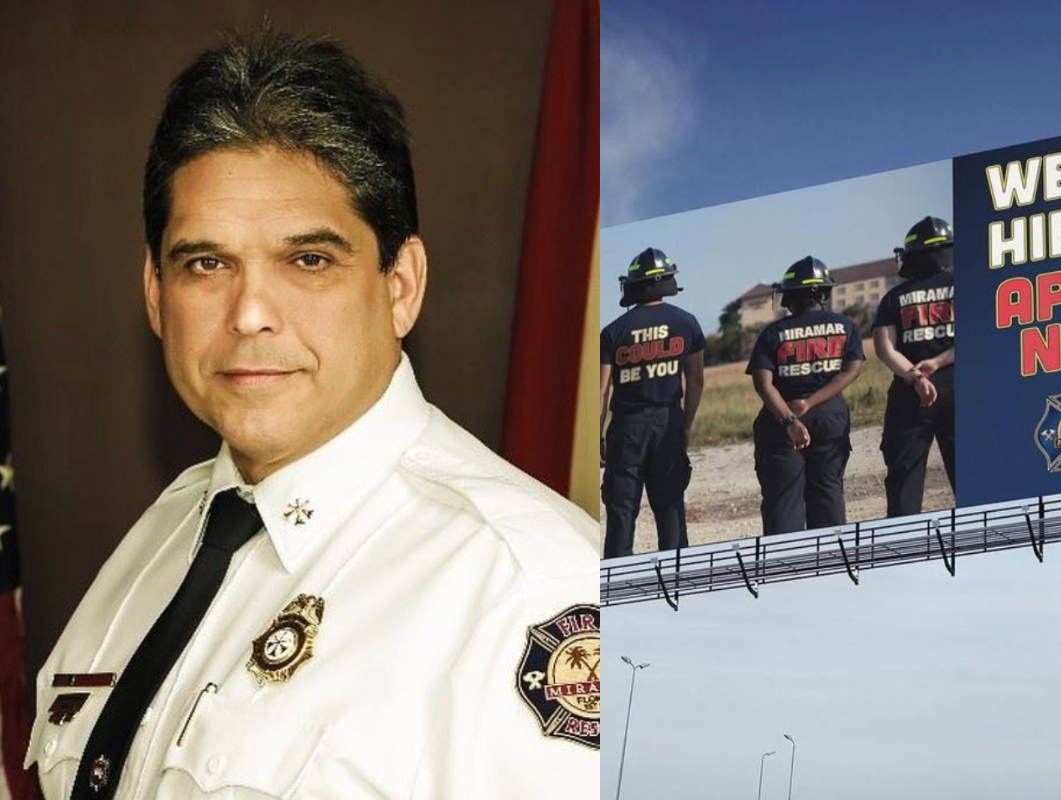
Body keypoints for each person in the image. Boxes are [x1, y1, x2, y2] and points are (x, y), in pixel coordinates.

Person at [24, 31, 600, 800]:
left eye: (308, 260)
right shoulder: (159, 541)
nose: (250, 313)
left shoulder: (529, 587)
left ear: (401, 287)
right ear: (156, 297)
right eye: (206, 263)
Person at [599, 247, 705, 558]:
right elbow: (696, 380)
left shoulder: (613, 331)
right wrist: (685, 425)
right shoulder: (687, 323)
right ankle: (676, 584)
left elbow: (602, 390)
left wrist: (597, 434)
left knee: (621, 511)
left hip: (627, 428)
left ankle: (616, 588)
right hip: (669, 421)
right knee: (670, 506)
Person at [747, 257, 864, 534]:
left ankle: (786, 568)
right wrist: (812, 402)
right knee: (828, 491)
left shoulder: (773, 333)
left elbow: (764, 384)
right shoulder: (845, 326)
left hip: (780, 421)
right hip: (831, 417)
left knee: (783, 500)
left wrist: (790, 420)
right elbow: (852, 371)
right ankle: (835, 562)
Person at [873, 215, 957, 518]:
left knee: (904, 479)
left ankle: (903, 548)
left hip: (910, 394)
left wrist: (915, 376)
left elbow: (885, 349)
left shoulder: (894, 297)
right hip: (959, 387)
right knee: (970, 473)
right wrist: (937, 362)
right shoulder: (965, 284)